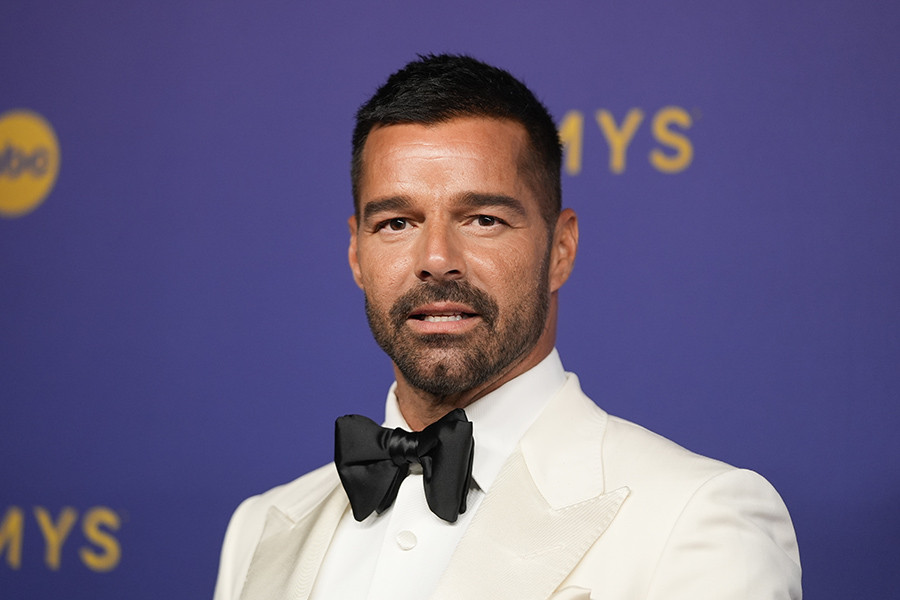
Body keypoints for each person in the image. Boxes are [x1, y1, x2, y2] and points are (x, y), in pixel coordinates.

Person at [213, 54, 801, 600]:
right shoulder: (262, 528)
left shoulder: (698, 518)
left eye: (484, 219)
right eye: (396, 222)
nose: (436, 257)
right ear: (355, 253)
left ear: (561, 249)